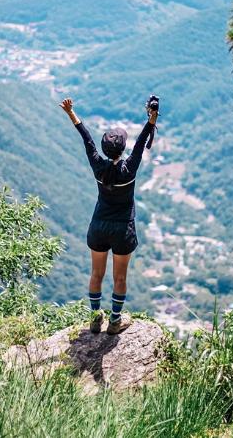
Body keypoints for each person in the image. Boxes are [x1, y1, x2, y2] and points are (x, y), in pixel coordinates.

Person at [60, 96, 158, 335]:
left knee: (96, 274)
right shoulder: (129, 168)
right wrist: (152, 119)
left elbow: (86, 139)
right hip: (123, 229)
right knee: (120, 278)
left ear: (105, 149)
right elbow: (142, 141)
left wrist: (71, 113)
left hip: (99, 227)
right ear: (122, 149)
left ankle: (95, 318)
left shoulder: (98, 166)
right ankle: (114, 321)